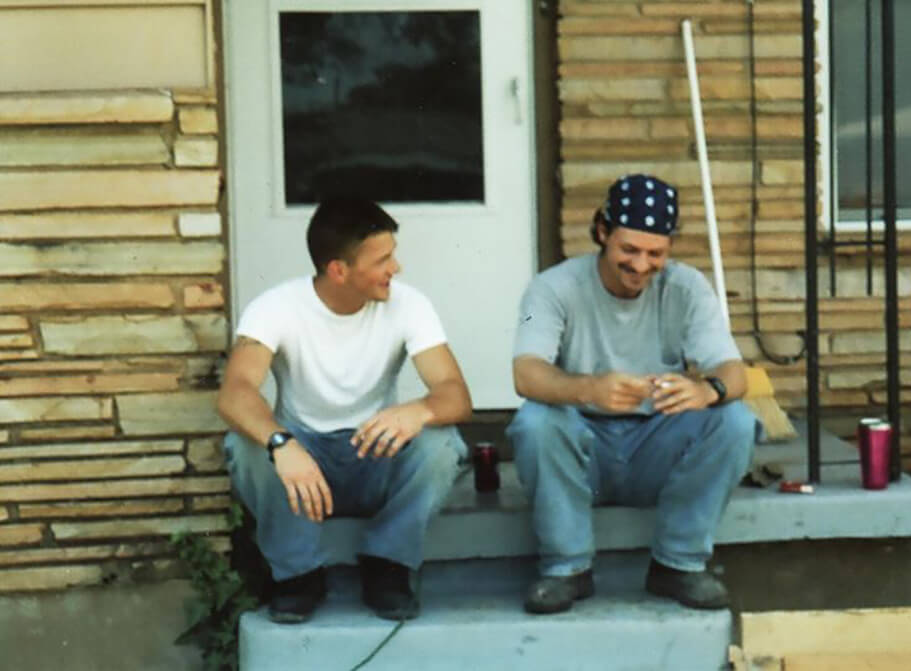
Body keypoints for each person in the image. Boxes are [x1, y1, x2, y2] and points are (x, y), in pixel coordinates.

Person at [506, 174, 756, 614]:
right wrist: (589, 389)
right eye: (629, 250)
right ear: (602, 232)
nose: (641, 265)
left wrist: (706, 390)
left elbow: (735, 371)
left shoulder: (688, 286)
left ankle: (679, 564)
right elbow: (525, 374)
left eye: (655, 253)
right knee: (535, 421)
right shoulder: (551, 287)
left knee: (735, 420)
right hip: (584, 449)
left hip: (655, 446)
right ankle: (567, 568)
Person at [218, 197, 472, 624]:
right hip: (305, 460)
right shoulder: (276, 307)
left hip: (374, 451)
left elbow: (455, 395)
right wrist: (281, 443)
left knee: (442, 444)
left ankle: (387, 565)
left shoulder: (408, 304)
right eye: (383, 260)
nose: (397, 269)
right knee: (245, 445)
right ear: (339, 270)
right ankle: (297, 575)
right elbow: (235, 393)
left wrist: (418, 411)